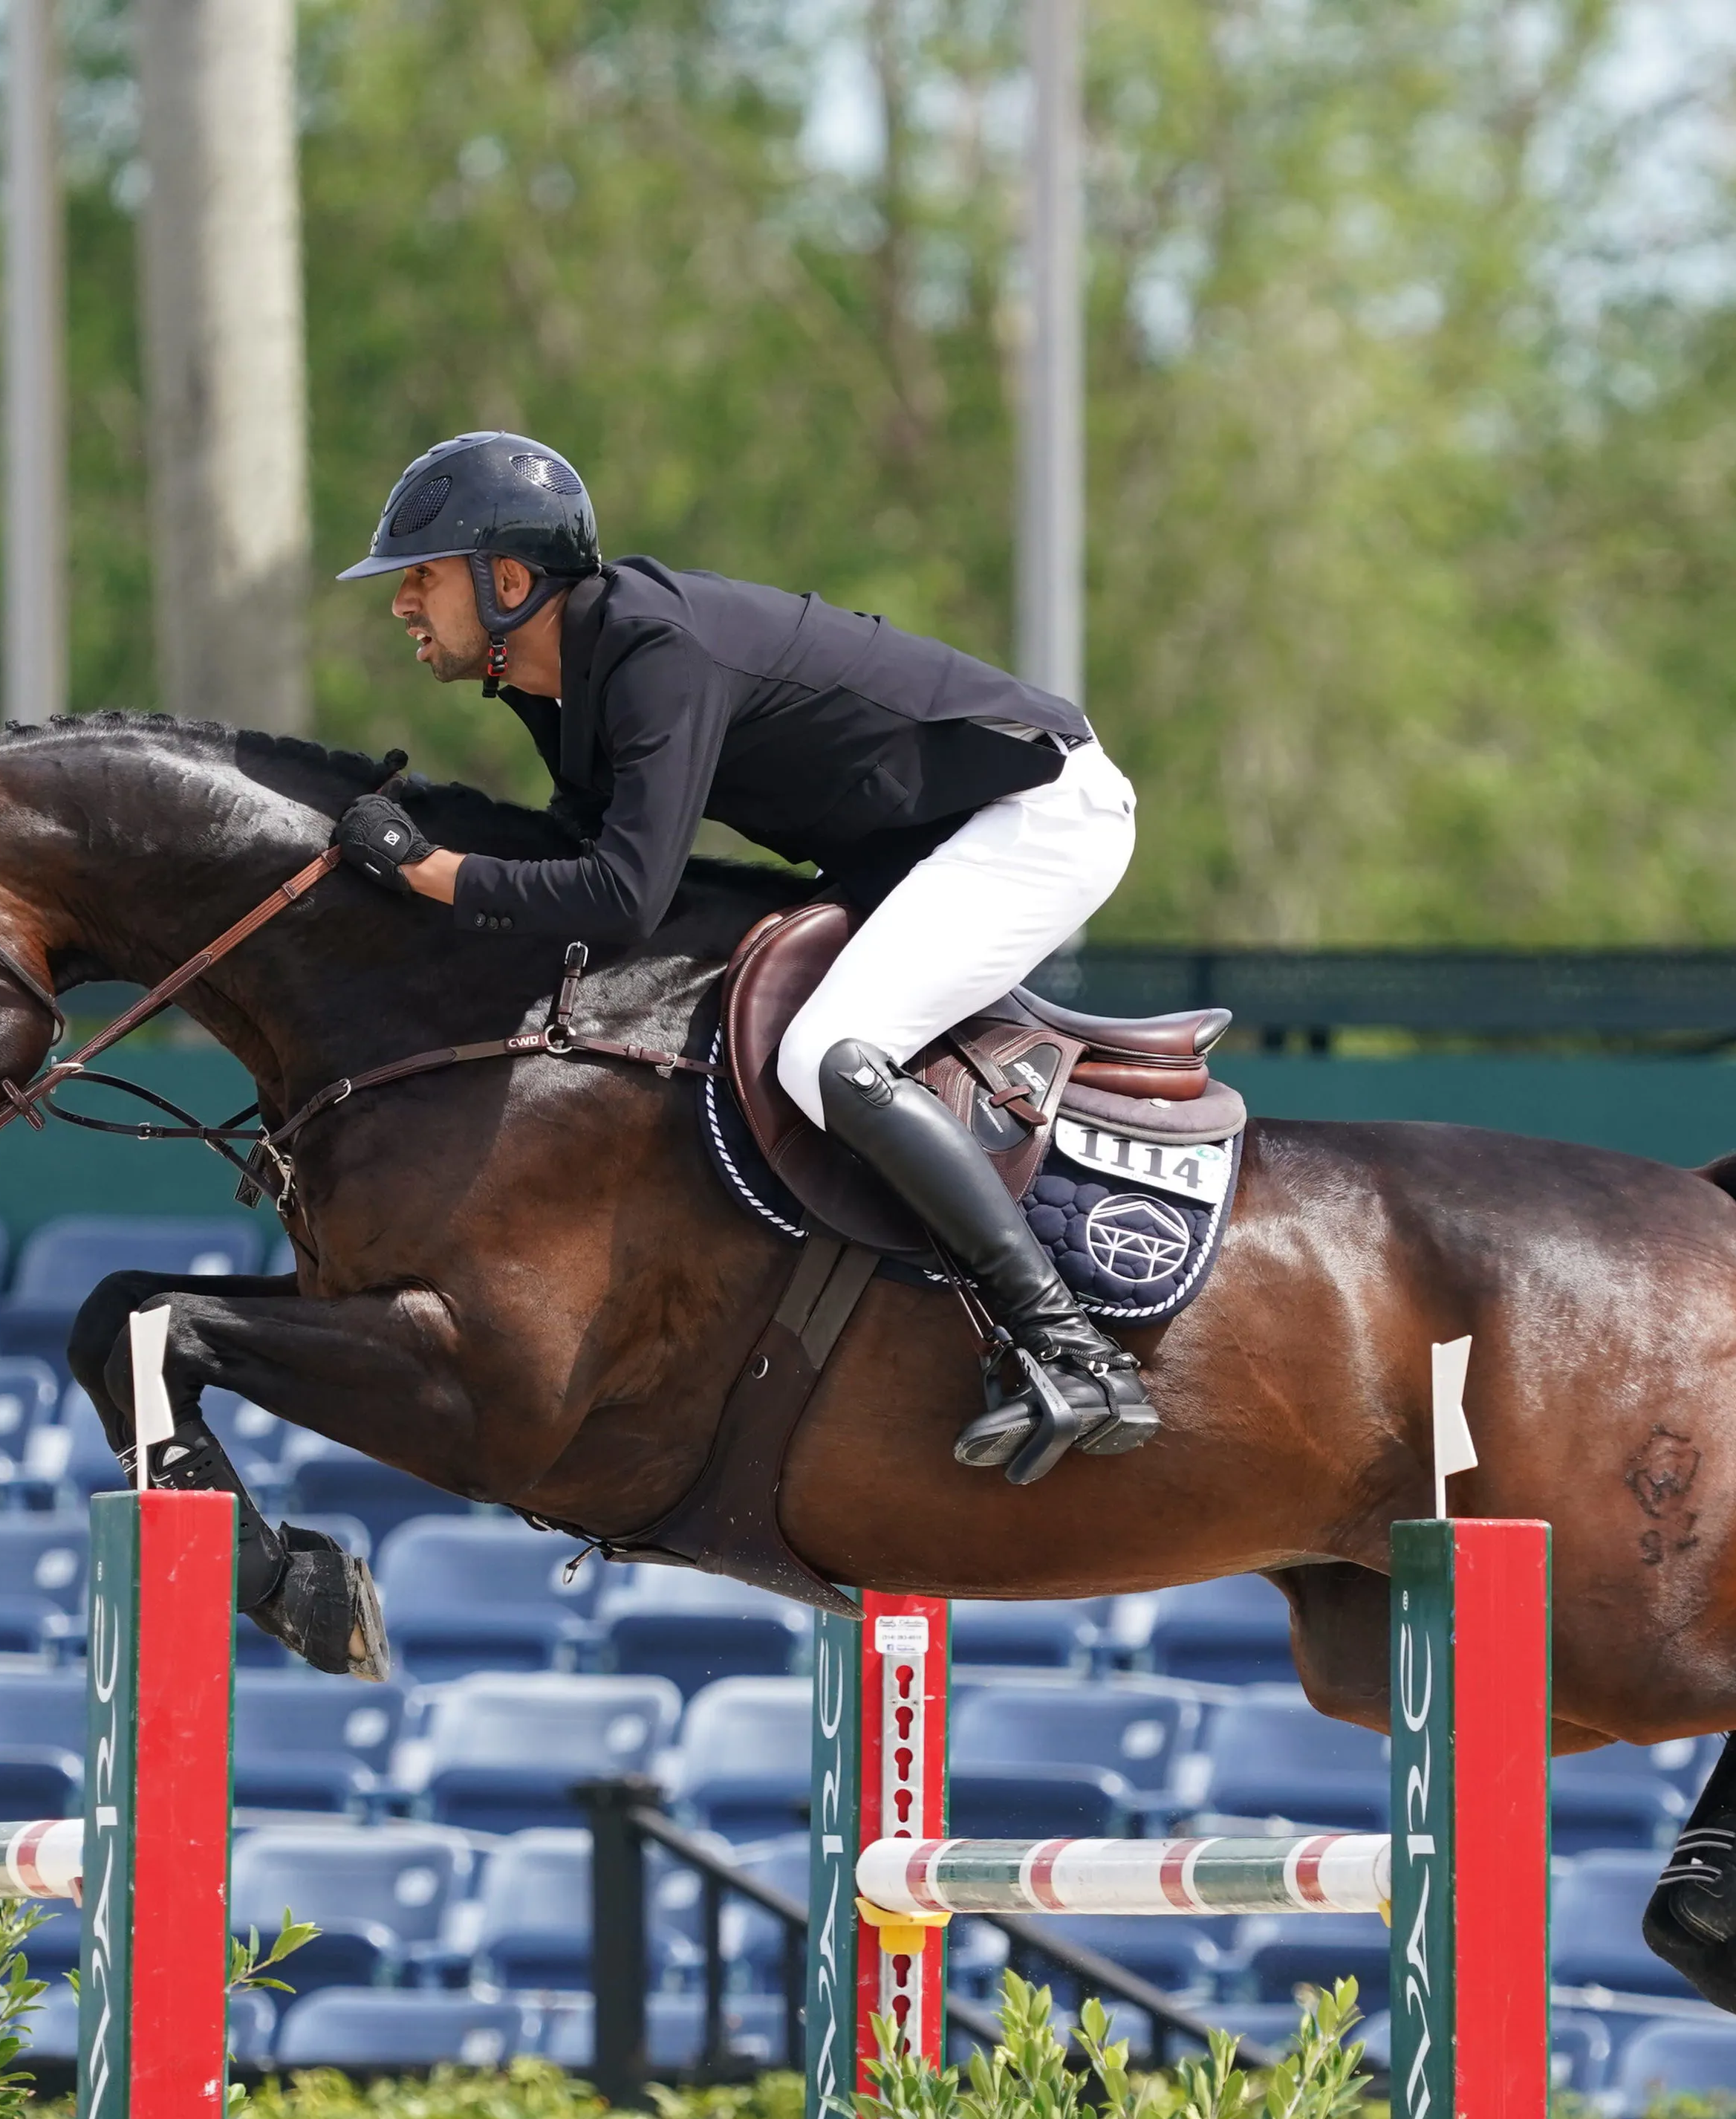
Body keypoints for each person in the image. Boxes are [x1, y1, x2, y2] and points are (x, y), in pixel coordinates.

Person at [322, 429, 1160, 1485]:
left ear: (507, 580)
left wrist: (430, 871)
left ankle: (1069, 1348)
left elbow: (625, 895)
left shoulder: (649, 650)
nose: (402, 603)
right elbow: (579, 864)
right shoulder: (554, 678)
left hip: (1034, 816)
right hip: (911, 843)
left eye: (421, 578)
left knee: (830, 1055)